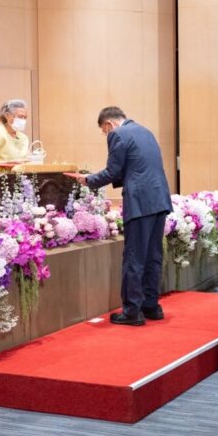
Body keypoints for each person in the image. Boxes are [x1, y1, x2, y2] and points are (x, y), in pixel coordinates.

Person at [84, 107, 172, 326]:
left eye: (104, 132)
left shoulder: (118, 134)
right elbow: (137, 167)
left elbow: (113, 171)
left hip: (140, 202)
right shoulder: (145, 131)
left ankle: (132, 311)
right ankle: (151, 306)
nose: (106, 135)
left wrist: (88, 181)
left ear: (108, 125)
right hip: (159, 199)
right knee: (153, 256)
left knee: (134, 257)